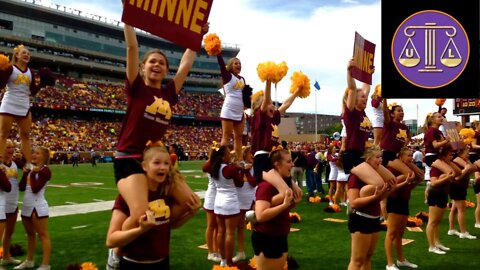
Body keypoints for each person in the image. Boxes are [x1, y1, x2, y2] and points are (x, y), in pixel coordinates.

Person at [114, 19, 208, 231]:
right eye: (152, 61)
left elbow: (186, 65)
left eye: (161, 63)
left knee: (191, 203)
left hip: (155, 159)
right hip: (129, 159)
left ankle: (158, 233)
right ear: (142, 67)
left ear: (166, 70)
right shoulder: (136, 87)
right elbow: (132, 47)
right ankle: (118, 248)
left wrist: (197, 36)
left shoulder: (168, 93)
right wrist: (128, 15)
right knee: (140, 214)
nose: (156, 65)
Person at [106, 146, 200, 269]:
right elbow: (111, 241)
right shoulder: (130, 197)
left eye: (167, 163)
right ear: (144, 166)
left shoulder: (166, 193)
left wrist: (191, 214)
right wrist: (140, 230)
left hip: (162, 262)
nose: (163, 167)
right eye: (157, 163)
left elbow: (169, 225)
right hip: (133, 263)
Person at [0, 45, 54, 169]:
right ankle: (0, 161)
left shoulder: (31, 72)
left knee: (25, 135)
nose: (27, 55)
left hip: (24, 104)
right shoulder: (10, 68)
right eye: (24, 53)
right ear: (17, 55)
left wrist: (42, 83)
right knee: (3, 134)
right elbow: (1, 85)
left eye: (28, 54)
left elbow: (33, 91)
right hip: (9, 102)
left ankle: (29, 163)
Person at [251, 148, 301, 270]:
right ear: (277, 164)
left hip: (279, 236)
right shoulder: (267, 186)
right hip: (267, 237)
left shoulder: (281, 184)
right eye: (289, 162)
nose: (292, 164)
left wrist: (292, 203)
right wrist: (284, 205)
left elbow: (281, 210)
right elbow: (261, 215)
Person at [347, 145, 391, 270]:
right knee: (357, 261)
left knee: (367, 257)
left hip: (374, 219)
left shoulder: (377, 176)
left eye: (381, 157)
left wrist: (388, 190)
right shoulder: (355, 177)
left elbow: (379, 199)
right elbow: (354, 202)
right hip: (361, 220)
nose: (380, 161)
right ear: (367, 159)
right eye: (377, 157)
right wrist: (374, 197)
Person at [384, 147, 422, 270]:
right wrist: (406, 181)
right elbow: (389, 190)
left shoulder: (408, 169)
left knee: (400, 234)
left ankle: (401, 260)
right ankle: (389, 264)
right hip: (394, 201)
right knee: (391, 233)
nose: (411, 158)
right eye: (408, 155)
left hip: (404, 201)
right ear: (400, 157)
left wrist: (415, 182)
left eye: (411, 155)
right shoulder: (393, 169)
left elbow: (408, 187)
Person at [15, 146, 51, 270]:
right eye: (33, 152)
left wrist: (33, 173)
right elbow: (21, 187)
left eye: (37, 153)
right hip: (27, 205)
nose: (34, 155)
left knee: (43, 235)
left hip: (38, 206)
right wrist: (25, 174)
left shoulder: (45, 170)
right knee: (30, 234)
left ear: (44, 157)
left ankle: (45, 264)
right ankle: (29, 261)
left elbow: (35, 189)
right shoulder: (31, 169)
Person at [209, 145, 243, 267]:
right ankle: (229, 261)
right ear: (223, 157)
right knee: (229, 233)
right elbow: (239, 183)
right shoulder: (230, 169)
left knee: (220, 232)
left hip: (218, 202)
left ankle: (222, 259)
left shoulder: (213, 167)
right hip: (230, 203)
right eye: (228, 154)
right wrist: (239, 169)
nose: (230, 155)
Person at [341, 58, 372, 175]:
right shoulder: (351, 112)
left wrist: (368, 73)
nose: (365, 98)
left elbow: (366, 88)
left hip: (362, 153)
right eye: (362, 97)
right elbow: (353, 89)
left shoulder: (363, 113)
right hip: (351, 154)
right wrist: (349, 71)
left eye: (365, 96)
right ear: (354, 99)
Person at [216, 52, 247, 162]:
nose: (238, 65)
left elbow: (244, 94)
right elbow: (221, 64)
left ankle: (239, 160)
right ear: (230, 66)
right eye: (235, 63)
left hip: (239, 111)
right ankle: (222, 160)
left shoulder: (242, 79)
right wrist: (218, 53)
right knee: (226, 137)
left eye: (239, 63)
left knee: (238, 137)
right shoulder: (227, 76)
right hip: (229, 109)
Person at [426, 146, 456, 255]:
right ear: (443, 156)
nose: (451, 157)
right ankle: (431, 246)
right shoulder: (436, 167)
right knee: (432, 222)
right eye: (449, 155)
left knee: (437, 222)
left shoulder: (446, 166)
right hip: (435, 195)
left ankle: (436, 242)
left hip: (443, 195)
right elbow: (433, 183)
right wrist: (446, 178)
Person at [233, 146, 257, 263]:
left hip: (253, 199)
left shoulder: (255, 167)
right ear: (244, 155)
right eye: (249, 154)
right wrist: (243, 169)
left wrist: (247, 172)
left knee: (257, 227)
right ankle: (241, 252)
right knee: (240, 227)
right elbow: (238, 184)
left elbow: (253, 183)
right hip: (240, 199)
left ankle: (258, 253)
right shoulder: (238, 167)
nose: (252, 156)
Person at [447, 147, 477, 239]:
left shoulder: (463, 161)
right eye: (466, 153)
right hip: (457, 187)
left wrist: (467, 163)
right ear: (460, 153)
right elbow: (457, 177)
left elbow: (473, 168)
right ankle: (463, 232)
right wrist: (465, 169)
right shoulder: (456, 161)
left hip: (460, 187)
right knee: (461, 210)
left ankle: (451, 229)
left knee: (454, 209)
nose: (468, 155)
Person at [1, 140, 21, 266]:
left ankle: (6, 256)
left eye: (13, 147)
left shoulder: (14, 163)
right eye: (8, 147)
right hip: (1, 202)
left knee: (9, 232)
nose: (11, 149)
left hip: (12, 201)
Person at [201, 146, 220, 263]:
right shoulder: (211, 164)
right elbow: (205, 168)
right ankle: (210, 252)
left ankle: (216, 250)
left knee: (218, 226)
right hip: (212, 197)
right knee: (211, 225)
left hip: (219, 197)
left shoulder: (218, 164)